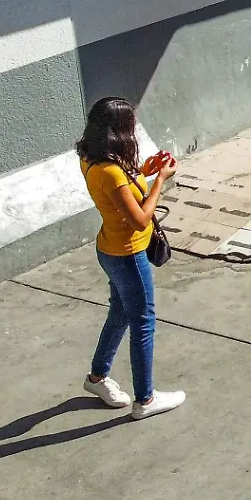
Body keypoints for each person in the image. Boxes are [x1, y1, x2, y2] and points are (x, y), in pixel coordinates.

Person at [75, 98, 185, 420]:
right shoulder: (110, 172)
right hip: (127, 254)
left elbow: (118, 188)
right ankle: (145, 400)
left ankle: (97, 378)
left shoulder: (90, 159)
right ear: (118, 132)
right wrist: (161, 181)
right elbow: (140, 219)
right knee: (143, 322)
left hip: (107, 249)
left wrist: (144, 172)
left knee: (121, 311)